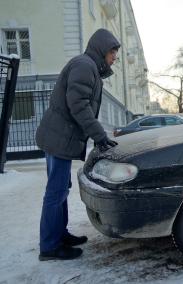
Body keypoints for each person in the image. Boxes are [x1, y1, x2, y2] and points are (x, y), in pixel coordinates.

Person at [36, 29, 120, 261]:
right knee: (56, 192)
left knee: (61, 188)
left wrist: (97, 134)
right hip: (58, 138)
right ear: (102, 49)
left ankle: (58, 234)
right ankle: (50, 247)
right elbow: (79, 105)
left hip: (60, 137)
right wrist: (99, 136)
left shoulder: (89, 67)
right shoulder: (85, 66)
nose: (114, 57)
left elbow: (83, 107)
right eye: (113, 52)